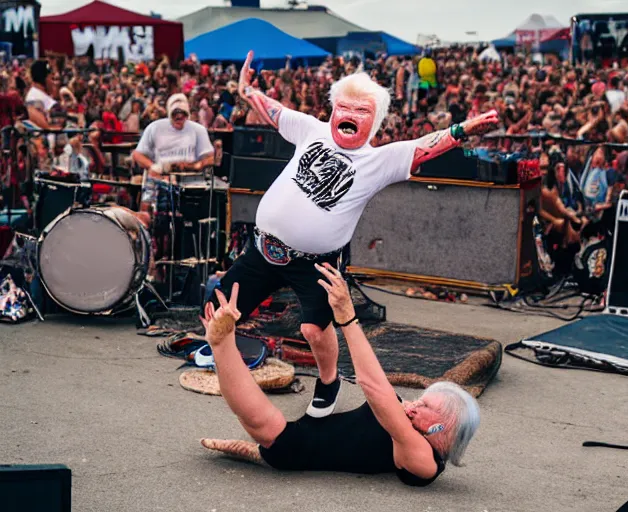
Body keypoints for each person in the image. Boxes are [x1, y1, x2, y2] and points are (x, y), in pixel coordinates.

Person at [208, 50, 499, 419]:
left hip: (317, 263)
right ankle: (226, 365)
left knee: (315, 329)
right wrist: (247, 89)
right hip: (262, 250)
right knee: (218, 309)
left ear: (374, 121)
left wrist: (462, 131)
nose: (349, 115)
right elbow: (273, 110)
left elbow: (426, 145)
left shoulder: (380, 160)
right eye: (344, 108)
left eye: (362, 112)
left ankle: (328, 382)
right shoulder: (311, 130)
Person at [199, 264, 480, 486]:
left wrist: (347, 317)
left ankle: (222, 345)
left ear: (441, 428)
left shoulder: (423, 461)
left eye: (427, 407)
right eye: (422, 400)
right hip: (313, 427)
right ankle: (323, 385)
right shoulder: (413, 425)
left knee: (260, 423)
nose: (416, 404)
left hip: (291, 448)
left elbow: (373, 386)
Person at [131, 92, 214, 222]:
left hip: (189, 182)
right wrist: (153, 166)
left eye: (182, 115)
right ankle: (148, 230)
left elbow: (210, 157)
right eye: (175, 115)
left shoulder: (198, 130)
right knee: (148, 200)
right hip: (159, 179)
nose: (178, 118)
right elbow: (137, 155)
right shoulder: (155, 128)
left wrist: (197, 165)